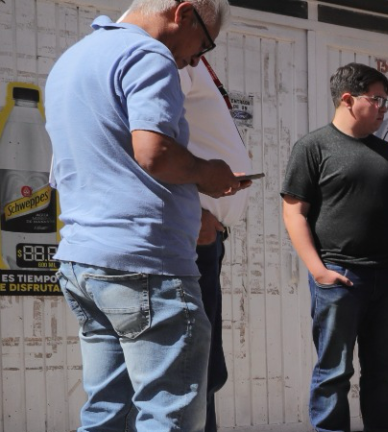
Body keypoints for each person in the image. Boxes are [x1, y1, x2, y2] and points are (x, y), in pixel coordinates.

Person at [44, 0, 245, 430]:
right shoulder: (148, 54)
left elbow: (62, 171)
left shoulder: (72, 59)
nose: (194, 59)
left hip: (85, 262)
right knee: (167, 415)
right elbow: (154, 153)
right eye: (204, 45)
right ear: (184, 13)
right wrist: (208, 175)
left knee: (106, 412)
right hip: (145, 264)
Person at [280, 63, 388, 432]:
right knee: (333, 373)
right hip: (341, 278)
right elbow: (294, 214)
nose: (383, 108)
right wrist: (319, 271)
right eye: (377, 100)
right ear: (347, 99)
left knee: (384, 375)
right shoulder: (313, 147)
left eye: (386, 101)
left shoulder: (387, 152)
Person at [181, 59, 254, 432]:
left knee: (204, 368)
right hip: (190, 237)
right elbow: (149, 142)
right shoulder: (165, 54)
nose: (201, 50)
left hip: (206, 237)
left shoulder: (187, 58)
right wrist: (192, 210)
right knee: (191, 371)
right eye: (205, 37)